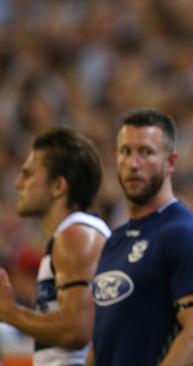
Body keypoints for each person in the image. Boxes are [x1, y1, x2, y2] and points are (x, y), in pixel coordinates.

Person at [87, 109, 193, 366]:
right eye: (126, 152)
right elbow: (103, 339)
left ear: (170, 162)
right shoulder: (115, 241)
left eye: (146, 152)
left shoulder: (185, 235)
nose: (133, 163)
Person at [0, 127, 109, 366]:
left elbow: (77, 330)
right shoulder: (72, 234)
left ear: (59, 186)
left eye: (28, 174)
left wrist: (11, 313)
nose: (18, 184)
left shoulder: (76, 235)